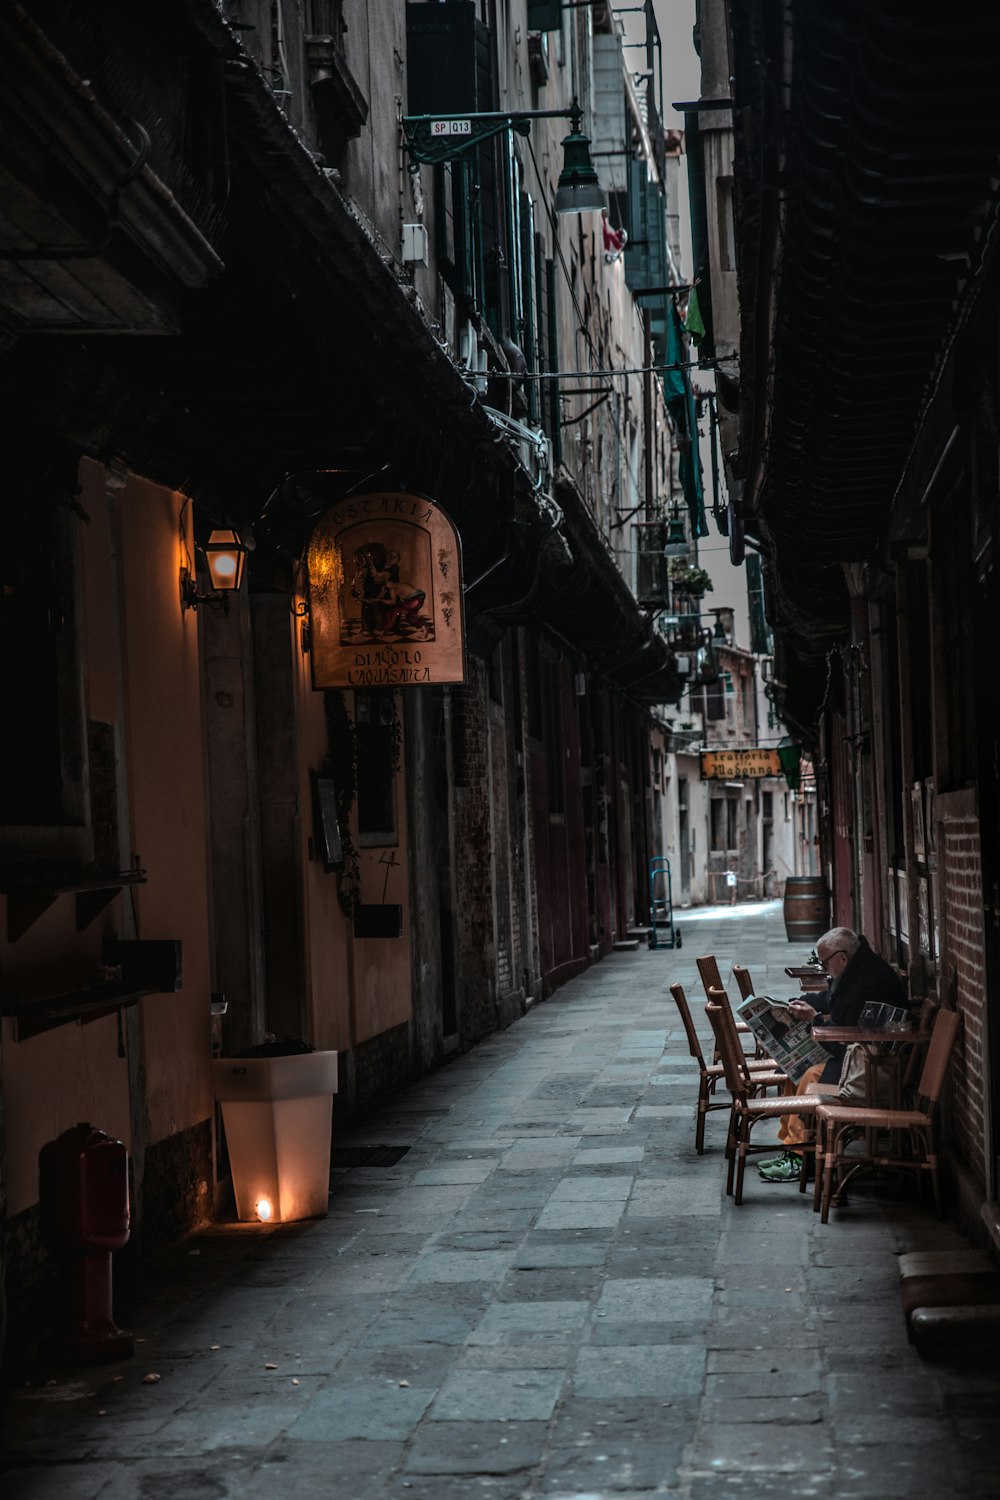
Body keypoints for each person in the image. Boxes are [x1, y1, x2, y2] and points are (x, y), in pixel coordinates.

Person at [758, 926, 909, 1182]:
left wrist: (814, 1019)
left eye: (825, 963)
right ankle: (791, 1147)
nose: (824, 969)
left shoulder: (869, 980)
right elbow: (831, 999)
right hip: (855, 1056)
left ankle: (799, 1155)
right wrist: (799, 1004)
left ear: (842, 958)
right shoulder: (855, 971)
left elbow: (848, 1028)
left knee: (808, 1077)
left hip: (871, 1066)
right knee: (795, 1071)